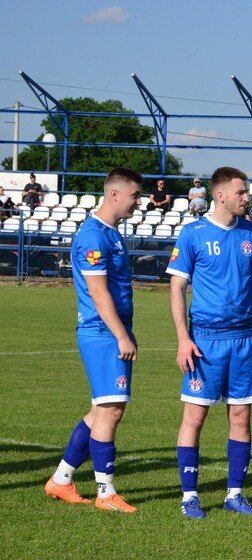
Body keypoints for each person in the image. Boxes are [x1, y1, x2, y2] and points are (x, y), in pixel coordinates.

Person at [167, 166, 252, 519]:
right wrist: (183, 338)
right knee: (195, 417)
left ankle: (235, 494)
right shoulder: (193, 233)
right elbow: (177, 287)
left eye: (247, 192)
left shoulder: (251, 233)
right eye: (241, 192)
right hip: (205, 340)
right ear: (220, 195)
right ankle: (189, 497)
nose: (247, 198)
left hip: (244, 338)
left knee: (241, 415)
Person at [44, 167, 143, 513]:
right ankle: (105, 492)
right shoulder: (93, 237)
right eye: (135, 195)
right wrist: (121, 335)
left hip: (110, 331)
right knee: (111, 410)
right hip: (102, 333)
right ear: (115, 194)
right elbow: (99, 293)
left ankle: (61, 480)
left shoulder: (110, 233)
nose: (138, 202)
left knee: (101, 409)